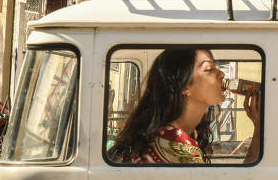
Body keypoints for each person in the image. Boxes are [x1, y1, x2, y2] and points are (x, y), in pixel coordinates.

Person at [109, 49, 260, 164]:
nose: (221, 74)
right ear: (184, 87)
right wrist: (259, 129)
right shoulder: (174, 145)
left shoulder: (179, 134)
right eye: (208, 69)